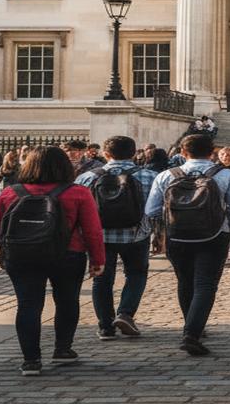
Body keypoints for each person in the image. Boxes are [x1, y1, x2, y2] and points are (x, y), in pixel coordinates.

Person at [0, 146, 105, 376]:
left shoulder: (10, 192)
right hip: (68, 254)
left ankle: (31, 360)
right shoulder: (77, 192)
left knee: (27, 304)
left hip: (22, 255)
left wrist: (3, 255)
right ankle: (63, 348)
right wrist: (97, 259)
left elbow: (0, 230)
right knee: (67, 300)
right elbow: (93, 231)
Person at [145, 133, 230, 356]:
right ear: (212, 152)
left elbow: (151, 210)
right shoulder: (227, 175)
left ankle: (191, 324)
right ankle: (192, 331)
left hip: (177, 235)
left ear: (182, 152)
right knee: (206, 284)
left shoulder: (165, 176)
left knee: (185, 281)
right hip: (215, 235)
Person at [74, 135, 159, 340]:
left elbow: (77, 210)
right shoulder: (149, 176)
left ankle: (105, 326)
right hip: (136, 235)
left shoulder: (87, 177)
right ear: (134, 153)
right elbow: (155, 209)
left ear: (106, 154)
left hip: (99, 236)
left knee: (101, 280)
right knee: (136, 275)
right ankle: (125, 313)